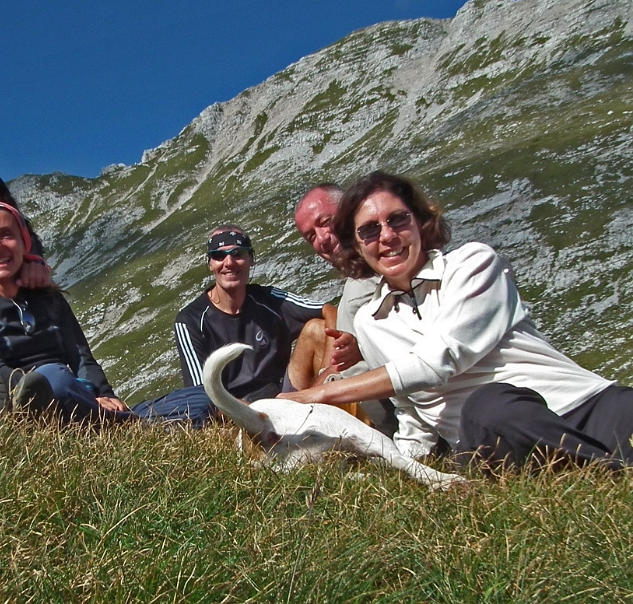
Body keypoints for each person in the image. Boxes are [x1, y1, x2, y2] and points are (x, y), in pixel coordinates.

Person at [278, 170, 633, 471]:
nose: (387, 235)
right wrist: (408, 469)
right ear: (355, 245)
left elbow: (440, 359)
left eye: (398, 219)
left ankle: (598, 468)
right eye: (369, 230)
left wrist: (317, 393)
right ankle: (610, 477)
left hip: (582, 403)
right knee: (488, 408)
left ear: (420, 222)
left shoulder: (473, 264)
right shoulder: (371, 322)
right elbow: (411, 413)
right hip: (491, 432)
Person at [0, 202, 134, 425]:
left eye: (7, 235)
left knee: (184, 400)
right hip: (20, 399)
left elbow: (80, 356)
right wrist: (36, 388)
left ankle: (104, 417)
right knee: (54, 377)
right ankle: (114, 422)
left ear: (24, 242)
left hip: (70, 389)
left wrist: (106, 395)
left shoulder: (50, 298)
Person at [133, 226, 326, 427]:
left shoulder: (269, 299)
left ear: (251, 260)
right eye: (218, 256)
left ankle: (329, 406)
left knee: (318, 329)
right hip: (237, 413)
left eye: (238, 254)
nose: (229, 263)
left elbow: (328, 310)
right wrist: (260, 414)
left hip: (285, 397)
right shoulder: (190, 320)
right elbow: (204, 394)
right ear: (210, 264)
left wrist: (324, 381)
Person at [293, 183, 395, 436]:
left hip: (377, 406)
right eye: (311, 236)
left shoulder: (386, 270)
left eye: (326, 222)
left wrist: (307, 399)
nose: (323, 239)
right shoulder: (358, 278)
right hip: (356, 391)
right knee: (314, 331)